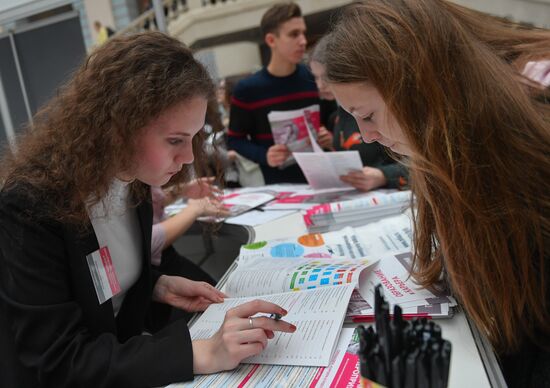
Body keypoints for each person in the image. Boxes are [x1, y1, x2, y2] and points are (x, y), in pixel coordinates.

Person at [0, 32, 295, 387]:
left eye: (192, 139)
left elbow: (94, 278)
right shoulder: (30, 205)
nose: (187, 158)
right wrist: (197, 354)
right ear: (118, 129)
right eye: (175, 140)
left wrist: (154, 285)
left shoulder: (134, 181)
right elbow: (57, 359)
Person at [324, 1, 550, 387]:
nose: (366, 136)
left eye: (368, 115)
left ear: (414, 87)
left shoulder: (523, 162)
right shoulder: (448, 147)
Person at [227, 2, 332, 184]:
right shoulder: (248, 89)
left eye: (303, 32)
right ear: (271, 40)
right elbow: (235, 140)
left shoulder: (314, 77)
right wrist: (264, 155)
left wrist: (330, 136)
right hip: (280, 188)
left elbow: (333, 119)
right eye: (293, 34)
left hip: (325, 178)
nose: (303, 41)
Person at [308, 35, 409, 192]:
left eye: (326, 77)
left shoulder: (386, 111)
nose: (320, 85)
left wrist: (383, 175)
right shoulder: (336, 117)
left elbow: (422, 166)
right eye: (316, 78)